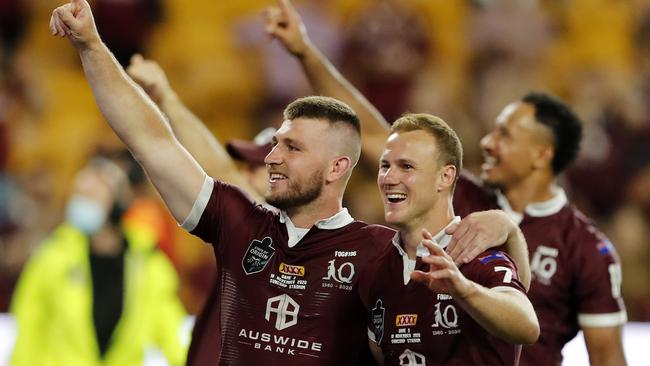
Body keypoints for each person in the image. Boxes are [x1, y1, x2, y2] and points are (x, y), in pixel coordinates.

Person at [49, 2, 535, 364]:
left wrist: (507, 230)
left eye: (292, 148)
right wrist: (92, 46)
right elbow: (151, 141)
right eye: (276, 144)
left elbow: (504, 321)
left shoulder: (381, 253)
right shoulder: (239, 223)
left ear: (336, 169)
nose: (274, 158)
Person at [265, 1, 628, 364]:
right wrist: (305, 52)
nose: (487, 142)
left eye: (505, 135)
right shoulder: (458, 198)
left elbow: (602, 354)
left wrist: (508, 235)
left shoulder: (584, 246)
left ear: (541, 154)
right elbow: (368, 129)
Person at [363, 113, 538, 365]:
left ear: (445, 177)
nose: (389, 178)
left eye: (406, 166)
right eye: (385, 165)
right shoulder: (375, 269)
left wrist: (463, 289)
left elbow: (527, 326)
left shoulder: (477, 255)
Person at [10, 155, 187, 366]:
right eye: (77, 195)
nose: (80, 203)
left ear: (118, 203)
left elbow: (171, 333)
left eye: (91, 194)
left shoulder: (149, 264)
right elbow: (28, 331)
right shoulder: (52, 256)